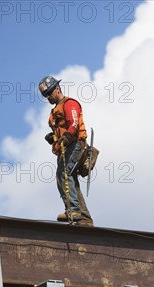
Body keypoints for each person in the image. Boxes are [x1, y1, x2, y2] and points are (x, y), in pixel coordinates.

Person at [39, 75, 93, 226]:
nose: (48, 96)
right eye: (45, 95)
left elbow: (74, 123)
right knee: (69, 179)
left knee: (64, 173)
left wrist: (68, 136)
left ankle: (74, 210)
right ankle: (84, 218)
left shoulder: (69, 104)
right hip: (66, 148)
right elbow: (62, 131)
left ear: (57, 88)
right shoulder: (55, 111)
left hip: (76, 144)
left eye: (50, 92)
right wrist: (54, 138)